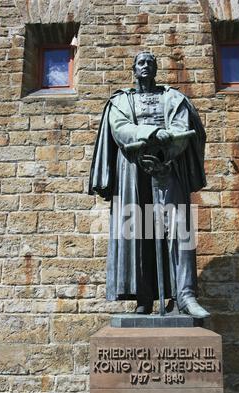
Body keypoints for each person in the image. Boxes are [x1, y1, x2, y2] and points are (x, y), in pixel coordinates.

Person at [89, 51, 210, 319]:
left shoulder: (173, 98)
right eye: (141, 63)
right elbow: (120, 128)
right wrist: (153, 133)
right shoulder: (121, 101)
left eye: (151, 63)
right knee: (137, 230)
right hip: (133, 169)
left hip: (169, 166)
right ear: (133, 69)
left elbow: (182, 127)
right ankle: (143, 297)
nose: (146, 67)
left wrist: (167, 149)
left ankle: (184, 296)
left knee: (179, 229)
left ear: (156, 69)